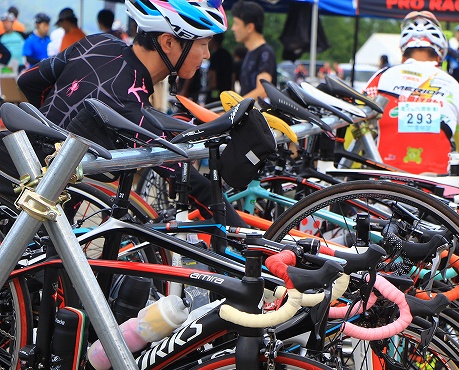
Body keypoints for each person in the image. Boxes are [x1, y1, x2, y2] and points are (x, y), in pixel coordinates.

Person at [16, 0, 246, 227]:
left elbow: (28, 81)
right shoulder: (128, 102)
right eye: (203, 44)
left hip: (17, 169)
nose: (206, 55)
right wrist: (255, 244)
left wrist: (47, 126)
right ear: (168, 42)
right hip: (38, 212)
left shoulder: (97, 42)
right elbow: (195, 184)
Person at [362, 10, 459, 174]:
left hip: (384, 184)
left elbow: (355, 125)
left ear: (403, 55)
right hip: (437, 187)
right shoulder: (452, 85)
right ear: (439, 57)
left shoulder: (380, 78)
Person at [231, 1, 276, 100]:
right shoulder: (250, 52)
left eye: (236, 23)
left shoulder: (265, 53)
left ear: (250, 27)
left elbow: (263, 90)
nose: (233, 28)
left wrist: (236, 107)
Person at [206, 33, 233, 103]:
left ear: (213, 40)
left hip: (216, 90)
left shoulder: (214, 56)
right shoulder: (228, 54)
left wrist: (212, 87)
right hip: (227, 90)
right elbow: (233, 72)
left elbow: (213, 73)